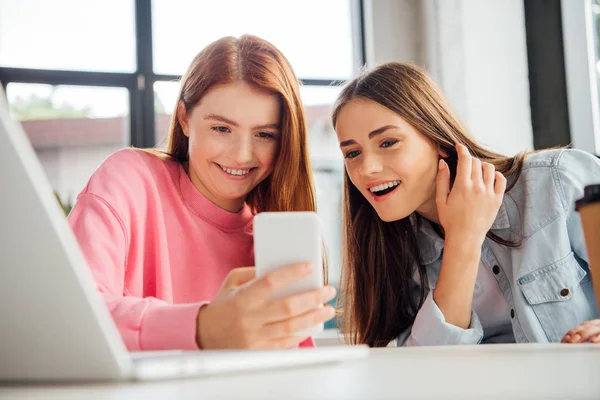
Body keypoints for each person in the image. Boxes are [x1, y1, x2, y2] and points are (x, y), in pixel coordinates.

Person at [67, 35, 336, 351]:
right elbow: (71, 315)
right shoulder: (129, 180)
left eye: (264, 134)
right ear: (184, 118)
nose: (241, 155)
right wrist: (203, 327)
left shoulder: (270, 237)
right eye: (222, 129)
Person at [331, 62, 600, 347]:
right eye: (352, 153)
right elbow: (427, 372)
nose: (367, 168)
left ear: (439, 141)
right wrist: (464, 238)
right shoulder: (396, 254)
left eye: (388, 142)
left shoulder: (557, 180)